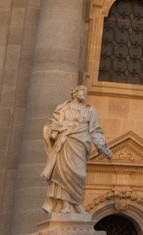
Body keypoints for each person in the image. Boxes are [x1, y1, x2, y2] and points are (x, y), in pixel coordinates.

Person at [41, 85, 113, 216]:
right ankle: (65, 204)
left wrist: (103, 147)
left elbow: (95, 130)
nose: (84, 93)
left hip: (81, 144)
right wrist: (54, 130)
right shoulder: (64, 108)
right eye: (81, 91)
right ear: (74, 93)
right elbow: (55, 124)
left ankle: (77, 201)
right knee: (64, 173)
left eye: (85, 92)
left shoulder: (90, 110)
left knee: (79, 174)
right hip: (66, 142)